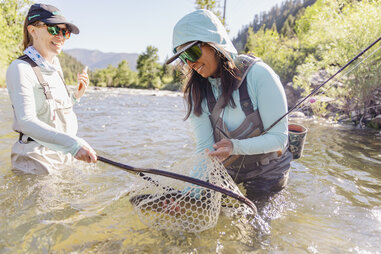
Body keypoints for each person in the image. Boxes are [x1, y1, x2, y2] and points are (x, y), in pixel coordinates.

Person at [166, 10, 293, 201]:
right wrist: (189, 197)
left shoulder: (259, 75)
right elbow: (205, 149)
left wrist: (234, 146)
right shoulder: (196, 91)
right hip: (231, 170)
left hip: (268, 171)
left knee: (255, 227)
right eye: (183, 58)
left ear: (213, 42)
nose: (190, 63)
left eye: (192, 52)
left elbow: (278, 139)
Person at [6, 3, 97, 174]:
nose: (61, 36)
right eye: (54, 30)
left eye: (65, 32)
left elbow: (50, 112)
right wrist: (74, 145)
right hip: (36, 159)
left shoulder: (55, 66)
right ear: (33, 30)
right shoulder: (20, 68)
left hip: (64, 154)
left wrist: (76, 96)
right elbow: (26, 121)